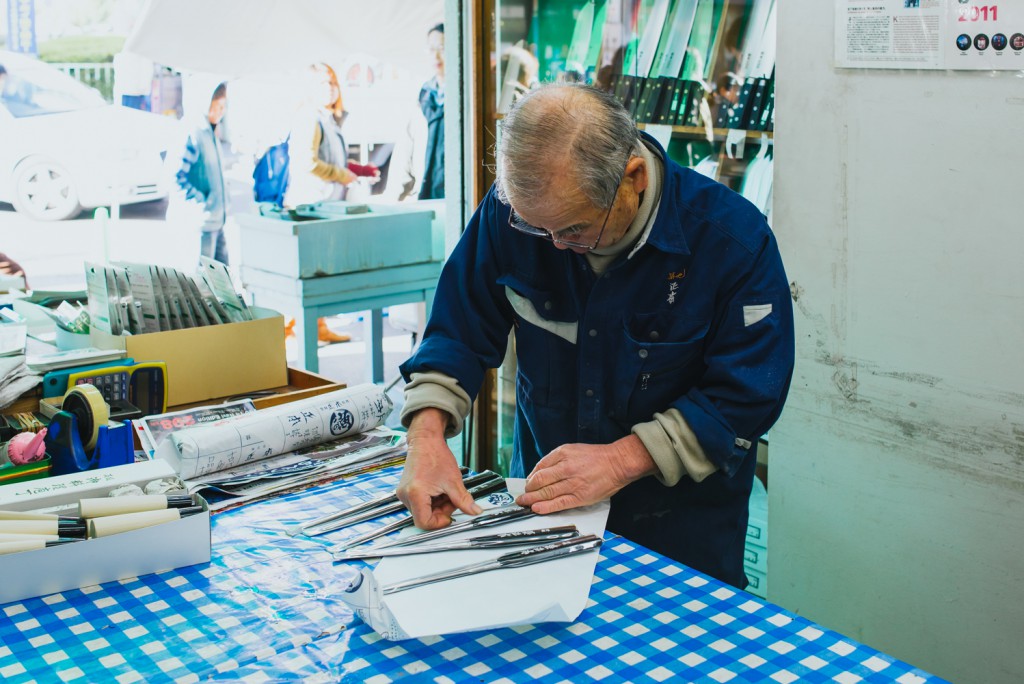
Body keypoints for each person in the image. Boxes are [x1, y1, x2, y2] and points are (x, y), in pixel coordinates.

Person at [395, 84, 794, 589]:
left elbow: (746, 396)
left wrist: (624, 458)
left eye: (575, 230)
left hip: (679, 540)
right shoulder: (516, 215)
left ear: (633, 178)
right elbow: (458, 327)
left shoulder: (733, 243)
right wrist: (426, 438)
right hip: (543, 519)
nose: (556, 247)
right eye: (538, 230)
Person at [284, 63, 379, 343]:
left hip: (324, 206)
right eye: (323, 84)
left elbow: (331, 159)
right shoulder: (310, 118)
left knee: (317, 270)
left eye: (332, 83)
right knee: (310, 272)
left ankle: (311, 327)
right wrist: (344, 175)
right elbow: (308, 162)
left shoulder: (326, 118)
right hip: (311, 207)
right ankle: (294, 328)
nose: (329, 88)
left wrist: (358, 171)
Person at [170, 82, 229, 265]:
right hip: (199, 224)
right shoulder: (192, 131)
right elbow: (174, 178)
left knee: (223, 283)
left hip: (216, 221)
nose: (221, 111)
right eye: (216, 106)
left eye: (223, 106)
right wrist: (203, 201)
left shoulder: (210, 131)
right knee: (201, 286)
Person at [418, 24, 445, 200]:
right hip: (429, 188)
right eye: (431, 49)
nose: (436, 55)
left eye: (441, 48)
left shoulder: (468, 96)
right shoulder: (425, 93)